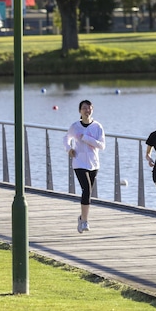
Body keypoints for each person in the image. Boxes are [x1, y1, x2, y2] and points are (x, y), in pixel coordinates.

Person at [63, 99, 105, 233]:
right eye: (84, 108)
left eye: (89, 108)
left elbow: (102, 145)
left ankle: (82, 217)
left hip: (93, 163)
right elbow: (66, 138)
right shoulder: (75, 126)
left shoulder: (97, 126)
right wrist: (69, 149)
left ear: (92, 109)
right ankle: (85, 222)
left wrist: (86, 138)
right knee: (86, 189)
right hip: (79, 162)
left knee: (89, 192)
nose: (87, 110)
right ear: (80, 111)